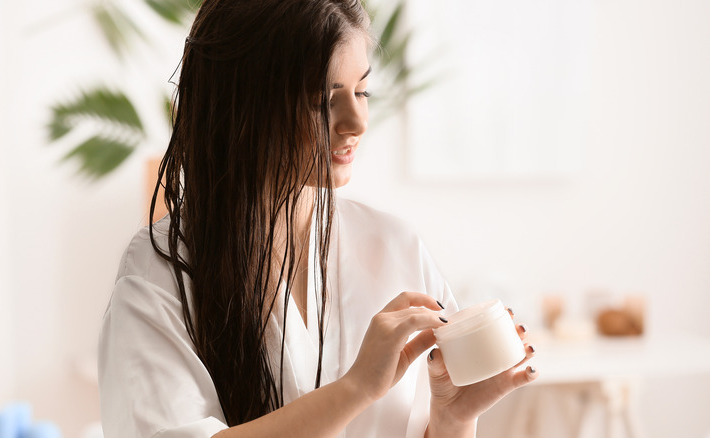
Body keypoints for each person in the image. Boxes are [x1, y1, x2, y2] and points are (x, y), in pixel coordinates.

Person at [97, 0, 538, 437]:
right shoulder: (160, 273)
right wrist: (356, 388)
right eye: (321, 100)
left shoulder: (394, 245)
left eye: (362, 92)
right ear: (243, 106)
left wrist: (453, 420)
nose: (357, 122)